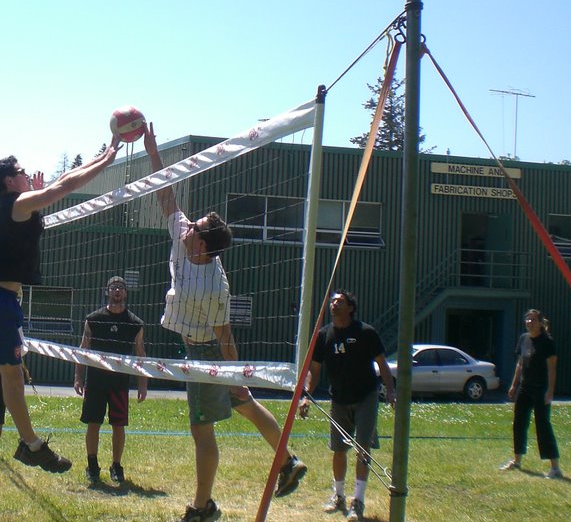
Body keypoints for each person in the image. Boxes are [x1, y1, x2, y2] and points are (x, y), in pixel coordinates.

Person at [144, 124, 307, 522]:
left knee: (203, 428)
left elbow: (225, 335)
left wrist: (233, 373)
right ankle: (287, 460)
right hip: (199, 347)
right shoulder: (185, 236)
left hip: (207, 353)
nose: (188, 226)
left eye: (195, 227)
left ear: (202, 244)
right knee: (246, 405)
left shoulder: (214, 286)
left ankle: (203, 507)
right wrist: (153, 152)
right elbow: (167, 197)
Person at [0, 143, 119, 522]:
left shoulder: (20, 207)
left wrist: (40, 196)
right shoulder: (17, 204)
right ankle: (30, 444)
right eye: (22, 172)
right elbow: (64, 186)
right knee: (10, 380)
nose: (29, 174)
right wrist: (107, 159)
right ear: (11, 181)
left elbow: (54, 188)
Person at [299, 290, 395, 521]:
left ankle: (358, 502)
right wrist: (306, 396)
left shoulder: (365, 332)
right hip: (339, 399)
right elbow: (315, 370)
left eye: (340, 301)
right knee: (339, 449)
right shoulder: (324, 335)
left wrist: (390, 391)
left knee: (362, 447)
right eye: (333, 301)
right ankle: (338, 495)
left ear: (350, 308)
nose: (334, 304)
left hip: (366, 397)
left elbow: (382, 364)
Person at [73, 275, 148, 485]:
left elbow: (141, 355)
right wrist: (78, 377)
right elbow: (83, 350)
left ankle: (116, 466)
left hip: (120, 384)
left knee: (118, 426)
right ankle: (92, 465)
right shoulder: (93, 319)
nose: (117, 291)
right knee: (93, 423)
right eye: (113, 287)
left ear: (125, 293)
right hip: (95, 382)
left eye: (120, 288)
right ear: (107, 291)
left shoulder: (135, 323)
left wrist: (143, 384)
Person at [500, 309, 562, 478]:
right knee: (519, 423)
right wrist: (514, 385)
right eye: (527, 319)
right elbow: (520, 364)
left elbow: (552, 368)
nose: (529, 322)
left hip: (541, 389)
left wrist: (550, 391)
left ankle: (555, 467)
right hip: (525, 388)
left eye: (533, 320)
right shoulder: (524, 339)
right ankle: (517, 460)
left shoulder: (547, 342)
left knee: (543, 425)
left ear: (540, 323)